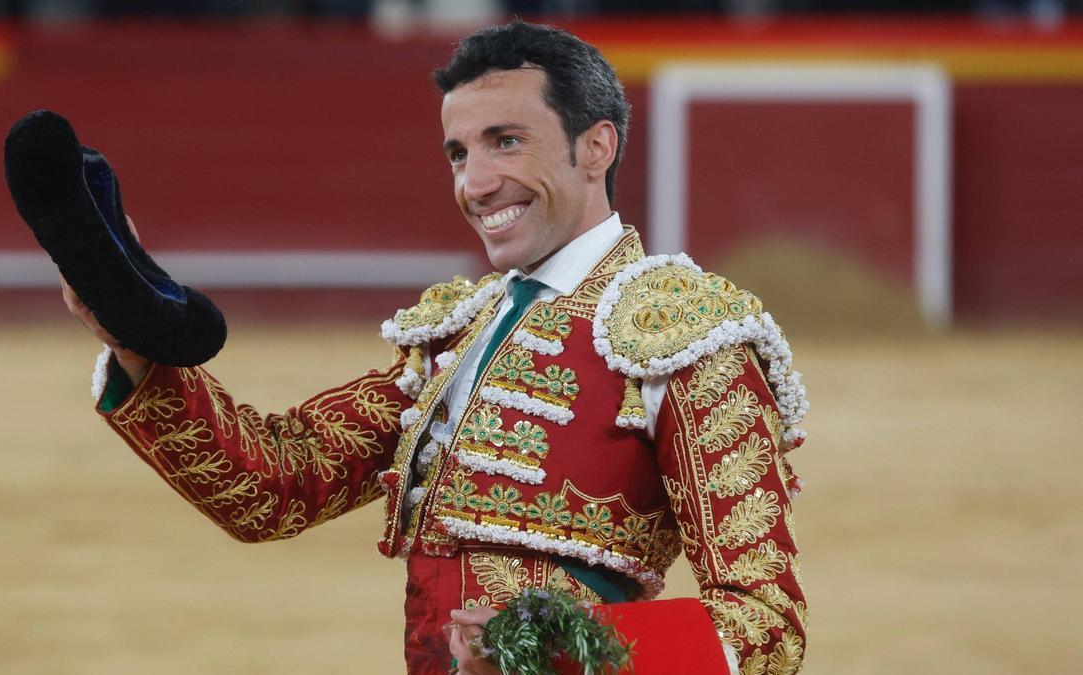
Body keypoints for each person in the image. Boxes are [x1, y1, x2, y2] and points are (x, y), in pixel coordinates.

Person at [66, 21, 809, 675]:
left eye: (506, 142)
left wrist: (550, 647)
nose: (476, 183)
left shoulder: (682, 335)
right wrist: (140, 345)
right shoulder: (457, 333)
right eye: (459, 152)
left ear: (596, 146)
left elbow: (765, 628)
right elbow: (278, 486)